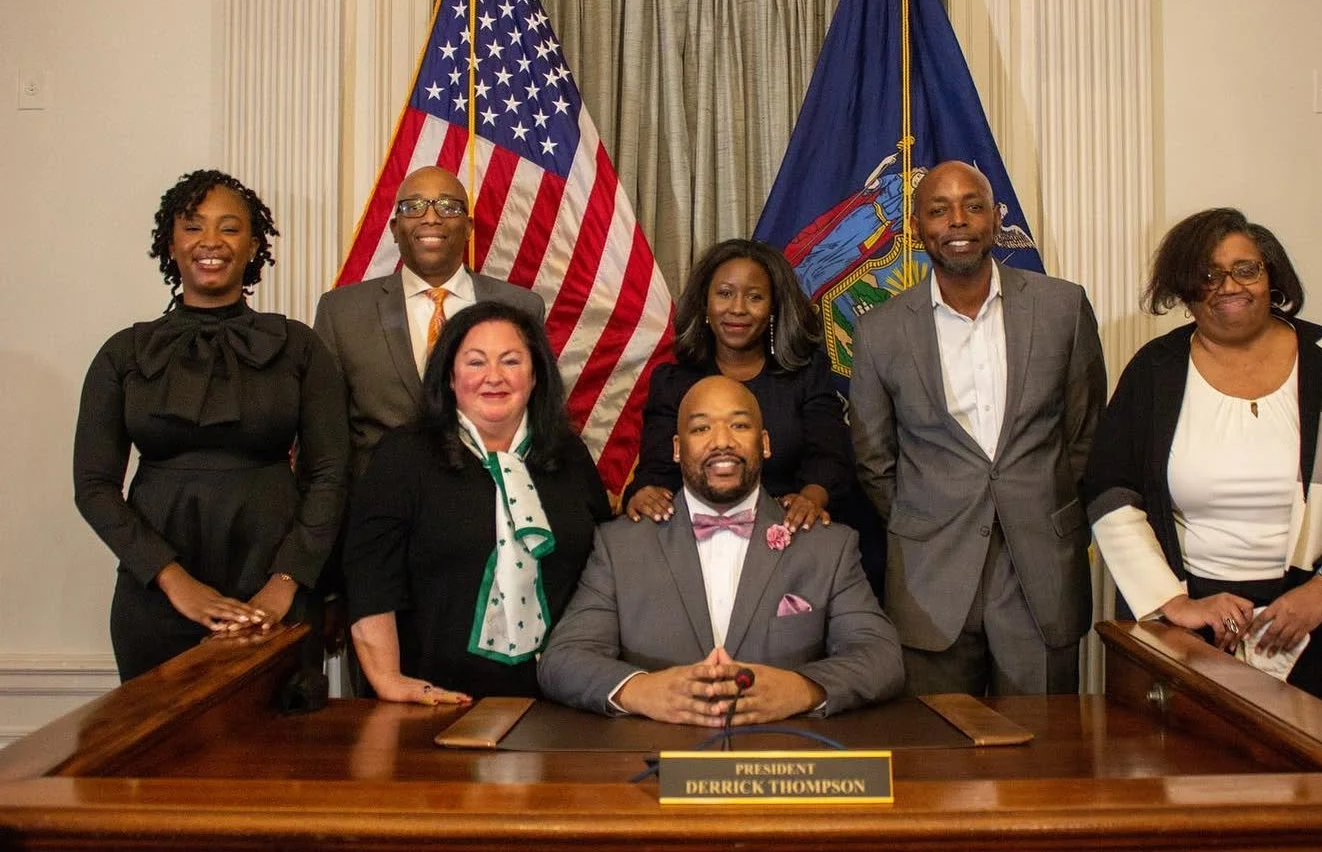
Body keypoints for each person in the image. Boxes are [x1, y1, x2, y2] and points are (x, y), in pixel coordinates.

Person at [1083, 208, 1322, 719]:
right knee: (1193, 786)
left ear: (1271, 276)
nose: (1229, 286)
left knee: (1320, 786)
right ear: (1184, 290)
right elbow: (1110, 490)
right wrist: (1173, 603)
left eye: (1246, 269)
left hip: (1320, 628)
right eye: (1208, 275)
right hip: (1194, 633)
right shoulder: (1156, 370)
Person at [73, 169, 349, 681]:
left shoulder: (300, 347)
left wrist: (286, 581)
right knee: (158, 748)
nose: (211, 242)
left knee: (281, 752)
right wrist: (174, 581)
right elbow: (93, 486)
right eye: (193, 227)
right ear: (171, 244)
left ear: (253, 246)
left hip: (275, 584)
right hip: (156, 595)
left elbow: (330, 473)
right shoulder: (123, 353)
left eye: (229, 227)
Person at [849, 160, 1107, 696]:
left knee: (1044, 761)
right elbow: (875, 459)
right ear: (917, 227)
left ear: (995, 217)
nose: (958, 221)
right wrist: (926, 516)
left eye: (973, 206)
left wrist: (1042, 501)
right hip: (930, 576)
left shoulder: (1062, 307)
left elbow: (1084, 433)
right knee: (940, 758)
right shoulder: (879, 331)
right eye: (939, 210)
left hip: (1041, 570)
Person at [539, 375, 903, 725]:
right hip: (653, 770)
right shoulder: (620, 546)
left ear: (765, 443)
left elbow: (882, 657)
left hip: (785, 764)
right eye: (701, 428)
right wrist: (641, 690)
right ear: (678, 450)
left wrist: (802, 689)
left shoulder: (827, 546)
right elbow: (563, 659)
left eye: (739, 426)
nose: (721, 441)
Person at [344, 301, 609, 704]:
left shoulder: (569, 455)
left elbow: (601, 570)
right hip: (435, 699)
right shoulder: (404, 456)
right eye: (475, 362)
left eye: (511, 361)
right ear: (450, 377)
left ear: (535, 375)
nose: (494, 377)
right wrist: (388, 679)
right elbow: (370, 579)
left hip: (559, 699)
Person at [624, 239, 869, 560]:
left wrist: (809, 499)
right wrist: (647, 494)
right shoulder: (673, 382)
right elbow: (657, 470)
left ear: (772, 309)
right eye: (724, 294)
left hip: (791, 535)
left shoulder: (806, 374)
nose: (738, 308)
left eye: (754, 297)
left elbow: (830, 458)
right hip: (697, 542)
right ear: (705, 304)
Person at [312, 165, 544, 481]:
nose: (431, 217)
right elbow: (324, 440)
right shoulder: (342, 312)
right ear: (394, 228)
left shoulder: (520, 307)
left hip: (489, 502)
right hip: (380, 504)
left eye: (448, 206)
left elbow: (542, 418)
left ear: (469, 227)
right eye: (413, 207)